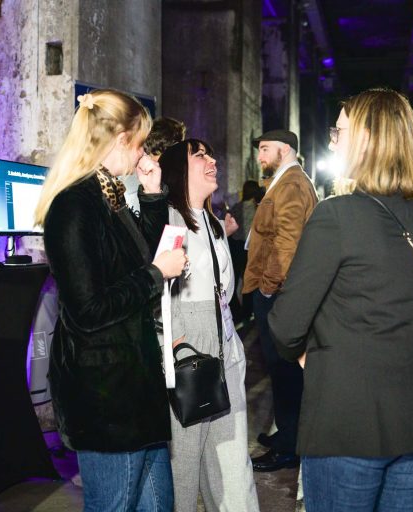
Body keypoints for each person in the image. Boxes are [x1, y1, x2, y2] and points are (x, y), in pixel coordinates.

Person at [268, 88, 413, 511]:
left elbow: (285, 325)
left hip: (348, 417)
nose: (332, 141)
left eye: (340, 131)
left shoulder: (337, 215)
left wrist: (301, 353)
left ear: (366, 140)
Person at [34, 89, 187, 512]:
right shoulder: (74, 205)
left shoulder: (109, 194)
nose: (141, 156)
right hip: (106, 395)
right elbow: (88, 310)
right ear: (119, 140)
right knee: (115, 505)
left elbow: (142, 257)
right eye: (139, 143)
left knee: (157, 504)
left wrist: (154, 195)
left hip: (134, 384)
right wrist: (158, 274)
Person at [158, 140, 259, 511]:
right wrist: (178, 342)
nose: (212, 160)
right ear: (178, 169)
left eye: (212, 154)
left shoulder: (214, 223)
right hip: (190, 351)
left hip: (226, 345)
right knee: (182, 468)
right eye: (199, 155)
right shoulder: (169, 220)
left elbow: (224, 289)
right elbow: (160, 294)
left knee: (232, 462)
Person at [243, 129, 318, 472]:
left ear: (284, 149)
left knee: (285, 370)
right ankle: (287, 433)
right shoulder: (287, 180)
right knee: (281, 369)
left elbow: (287, 242)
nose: (259, 156)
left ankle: (289, 447)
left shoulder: (291, 184)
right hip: (278, 291)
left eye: (265, 149)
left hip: (278, 292)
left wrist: (268, 288)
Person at [228, 180, 261, 324]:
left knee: (233, 282)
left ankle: (236, 312)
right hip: (252, 248)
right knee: (250, 281)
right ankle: (248, 312)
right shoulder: (259, 208)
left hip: (236, 247)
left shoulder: (236, 207)